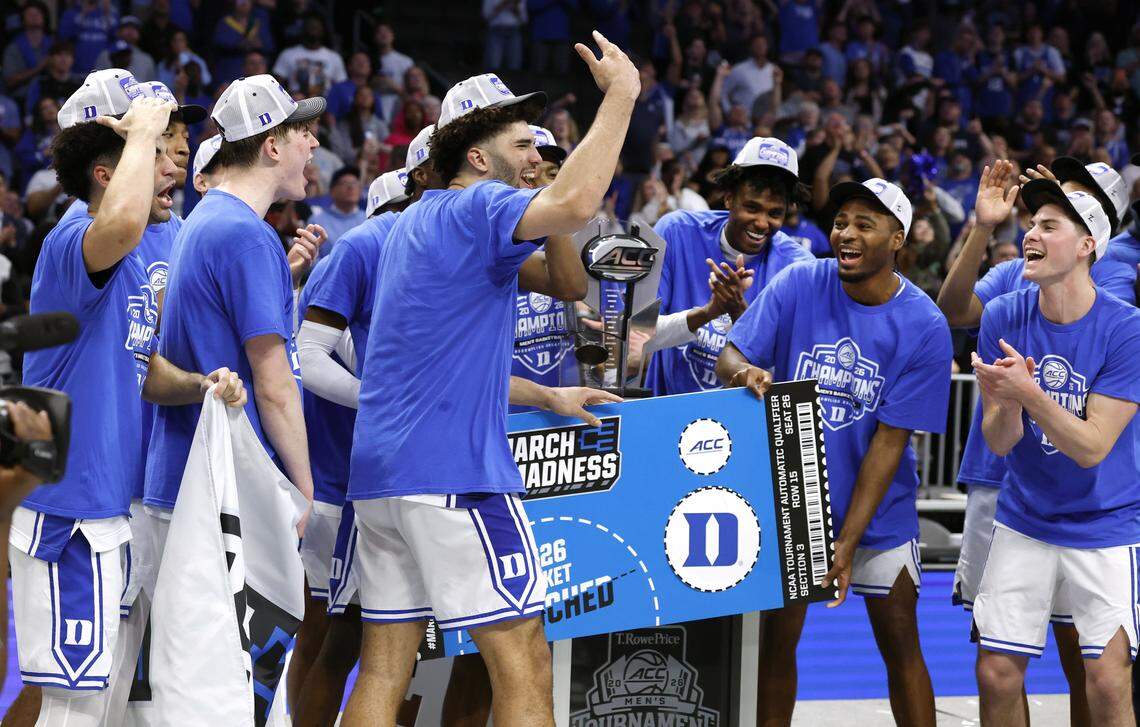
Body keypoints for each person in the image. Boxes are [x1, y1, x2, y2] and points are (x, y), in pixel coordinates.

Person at [341, 31, 640, 725]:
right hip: (454, 474)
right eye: (522, 144)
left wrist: (544, 196)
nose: (537, 153)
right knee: (525, 654)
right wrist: (621, 98)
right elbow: (579, 203)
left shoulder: (421, 224)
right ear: (476, 156)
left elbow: (568, 283)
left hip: (384, 476)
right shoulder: (478, 208)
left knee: (385, 666)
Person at [8, 75, 245, 727]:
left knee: (96, 694)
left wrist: (201, 385)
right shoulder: (75, 240)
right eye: (154, 149)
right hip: (70, 514)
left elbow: (141, 370)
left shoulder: (130, 260)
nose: (173, 164)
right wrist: (140, 127)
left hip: (111, 507)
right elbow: (124, 216)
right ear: (107, 171)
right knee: (73, 704)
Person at [717, 178, 952, 727]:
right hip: (793, 504)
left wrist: (845, 543)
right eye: (841, 221)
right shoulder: (801, 283)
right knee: (777, 644)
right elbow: (730, 355)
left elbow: (889, 444)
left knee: (901, 646)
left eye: (863, 224)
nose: (845, 233)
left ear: (897, 238)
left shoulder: (924, 326)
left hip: (878, 514)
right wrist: (745, 372)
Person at [936, 158, 1133, 727]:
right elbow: (1000, 441)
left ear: (1088, 244)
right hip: (1025, 516)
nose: (1032, 233)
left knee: (1105, 677)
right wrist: (1008, 402)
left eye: (1051, 225)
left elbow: (1093, 446)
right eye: (1033, 222)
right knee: (996, 673)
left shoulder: (1125, 328)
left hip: (1106, 523)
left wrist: (1030, 392)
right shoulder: (1005, 311)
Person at [145, 74, 325, 656]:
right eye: (304, 133)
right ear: (272, 146)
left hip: (191, 479)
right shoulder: (248, 237)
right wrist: (301, 488)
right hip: (229, 490)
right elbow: (273, 387)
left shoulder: (203, 223)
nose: (314, 146)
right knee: (234, 683)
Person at [646, 137, 814, 396]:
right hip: (665, 410)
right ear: (728, 198)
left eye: (774, 213)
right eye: (752, 207)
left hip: (746, 424)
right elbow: (640, 334)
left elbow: (786, 374)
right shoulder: (676, 231)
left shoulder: (799, 268)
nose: (761, 223)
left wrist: (739, 311)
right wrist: (707, 313)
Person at [309, 166, 364, 251]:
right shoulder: (316, 222)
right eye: (345, 183)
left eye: (354, 183)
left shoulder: (368, 219)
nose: (351, 187)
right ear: (332, 191)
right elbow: (310, 259)